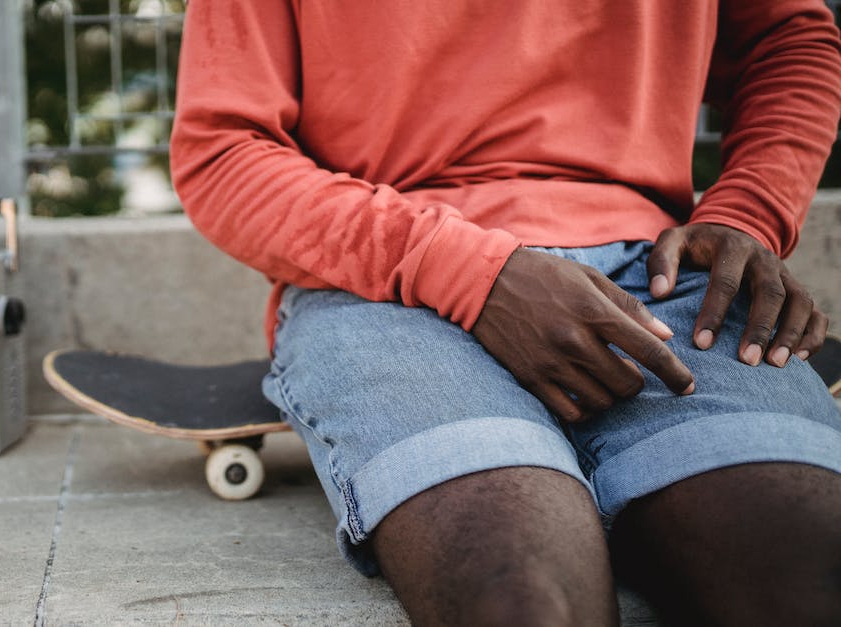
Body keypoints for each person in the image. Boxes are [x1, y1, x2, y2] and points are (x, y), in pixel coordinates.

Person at [169, 2, 841, 625]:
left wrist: (749, 210)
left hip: (659, 277)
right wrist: (468, 272)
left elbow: (784, 37)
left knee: (807, 579)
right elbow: (223, 151)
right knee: (520, 599)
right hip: (391, 280)